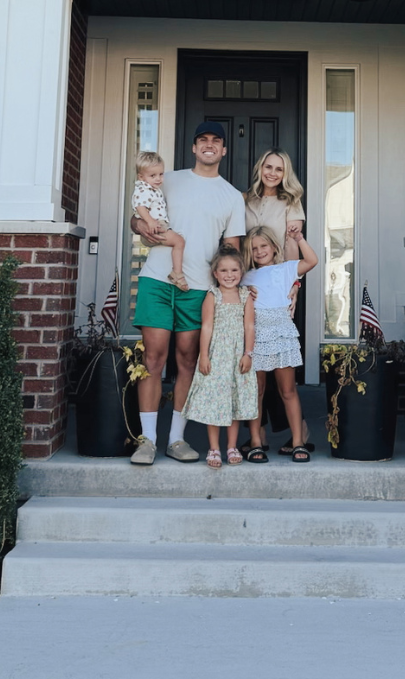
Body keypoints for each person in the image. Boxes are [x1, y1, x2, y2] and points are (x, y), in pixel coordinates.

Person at [129, 122, 246, 465]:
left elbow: (232, 249)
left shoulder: (231, 196)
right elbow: (138, 215)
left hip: (198, 289)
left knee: (187, 361)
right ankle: (147, 440)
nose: (209, 145)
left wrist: (230, 290)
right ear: (194, 148)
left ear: (224, 150)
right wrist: (139, 227)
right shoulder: (170, 179)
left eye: (216, 141)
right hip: (157, 280)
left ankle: (175, 439)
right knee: (153, 358)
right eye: (202, 140)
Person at [242, 225, 318, 463]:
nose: (259, 251)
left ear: (274, 248)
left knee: (288, 390)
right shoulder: (246, 277)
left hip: (282, 333)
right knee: (257, 391)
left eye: (264, 246)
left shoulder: (287, 269)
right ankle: (256, 441)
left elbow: (312, 260)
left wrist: (299, 238)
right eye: (254, 248)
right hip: (257, 333)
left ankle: (297, 441)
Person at [183, 249, 258, 468]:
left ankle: (231, 446)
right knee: (215, 403)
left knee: (234, 400)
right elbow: (206, 327)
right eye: (223, 270)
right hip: (216, 355)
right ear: (215, 273)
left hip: (237, 357)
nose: (229, 274)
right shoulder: (212, 296)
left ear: (241, 272)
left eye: (234, 270)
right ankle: (214, 448)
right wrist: (204, 355)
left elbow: (250, 326)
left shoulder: (245, 296)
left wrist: (248, 353)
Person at [131, 150, 188, 290]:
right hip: (156, 226)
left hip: (157, 224)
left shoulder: (153, 189)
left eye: (161, 174)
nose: (158, 179)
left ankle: (177, 272)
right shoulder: (143, 189)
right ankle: (177, 273)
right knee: (179, 241)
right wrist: (149, 221)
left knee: (177, 241)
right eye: (153, 175)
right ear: (141, 177)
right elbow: (140, 206)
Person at [244, 150, 305, 261]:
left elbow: (291, 243)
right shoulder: (247, 200)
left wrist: (289, 276)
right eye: (268, 167)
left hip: (276, 272)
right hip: (247, 273)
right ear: (261, 168)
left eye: (279, 169)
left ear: (285, 174)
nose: (272, 173)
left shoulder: (291, 202)